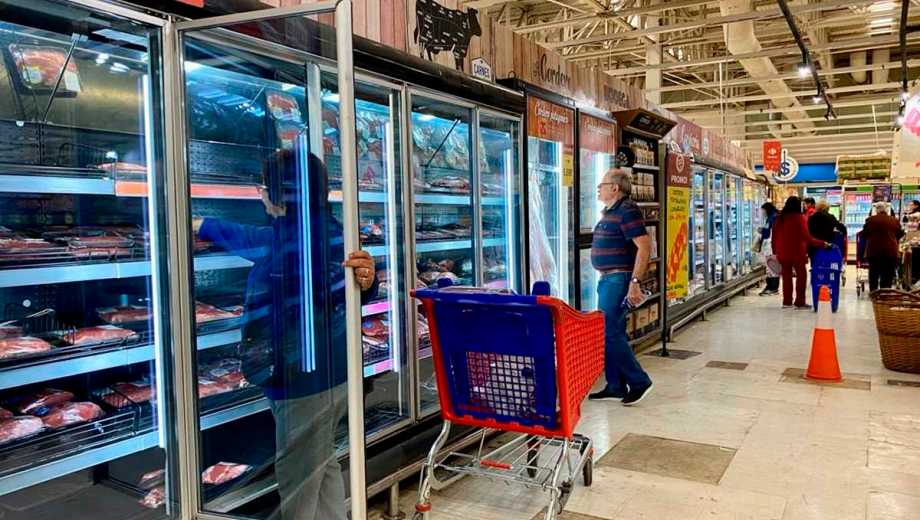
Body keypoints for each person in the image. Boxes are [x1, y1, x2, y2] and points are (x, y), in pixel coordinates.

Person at [192, 149, 377, 520]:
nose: (261, 195)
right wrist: (206, 225)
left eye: (265, 188)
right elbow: (262, 241)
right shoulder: (320, 230)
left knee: (297, 480)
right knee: (320, 463)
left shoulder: (298, 241)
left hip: (303, 379)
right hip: (329, 372)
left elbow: (267, 245)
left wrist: (205, 224)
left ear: (280, 195)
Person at [587, 168, 653, 406]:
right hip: (608, 279)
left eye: (602, 185)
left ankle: (638, 381)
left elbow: (644, 246)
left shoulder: (627, 210)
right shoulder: (611, 211)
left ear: (614, 188)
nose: (598, 188)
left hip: (618, 279)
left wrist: (634, 283)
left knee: (609, 333)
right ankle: (615, 385)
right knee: (611, 332)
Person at [772, 196, 830, 309]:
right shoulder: (799, 218)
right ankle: (800, 302)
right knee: (801, 276)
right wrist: (822, 243)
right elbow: (807, 238)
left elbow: (774, 236)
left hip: (782, 253)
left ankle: (787, 302)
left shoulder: (779, 218)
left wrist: (775, 251)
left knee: (786, 277)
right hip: (797, 252)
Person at [862, 201, 905, 291]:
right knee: (888, 274)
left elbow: (864, 234)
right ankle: (885, 293)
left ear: (876, 210)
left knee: (874, 273)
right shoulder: (894, 220)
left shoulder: (870, 220)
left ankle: (874, 293)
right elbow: (900, 234)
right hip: (890, 251)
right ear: (886, 210)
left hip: (874, 251)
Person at [758, 202, 780, 296]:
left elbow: (770, 232)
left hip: (771, 246)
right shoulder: (771, 217)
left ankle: (773, 287)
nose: (762, 212)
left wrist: (762, 231)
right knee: (770, 267)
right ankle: (770, 286)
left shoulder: (773, 218)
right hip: (769, 245)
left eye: (763, 210)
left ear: (767, 209)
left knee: (772, 267)